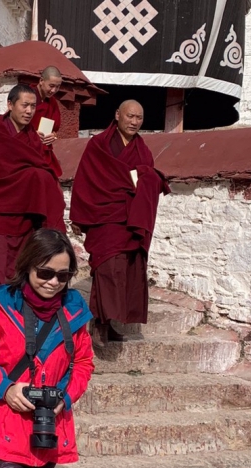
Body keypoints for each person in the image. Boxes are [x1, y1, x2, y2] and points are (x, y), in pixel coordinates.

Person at [0, 228, 94, 468]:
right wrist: (6, 388)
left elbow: (83, 363)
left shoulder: (75, 312)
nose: (53, 282)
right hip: (3, 424)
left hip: (48, 427)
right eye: (45, 273)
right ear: (27, 267)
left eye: (63, 275)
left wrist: (66, 398)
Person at [70, 100, 170, 347]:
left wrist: (151, 179)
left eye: (139, 118)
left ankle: (112, 321)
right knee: (107, 268)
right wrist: (79, 217)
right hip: (105, 218)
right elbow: (85, 181)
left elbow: (147, 179)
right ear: (117, 115)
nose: (134, 122)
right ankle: (99, 322)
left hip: (131, 220)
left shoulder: (143, 150)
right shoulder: (98, 145)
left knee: (127, 271)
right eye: (130, 116)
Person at [0, 84, 66, 317]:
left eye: (33, 106)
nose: (29, 111)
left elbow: (45, 170)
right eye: (25, 105)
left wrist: (46, 147)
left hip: (24, 216)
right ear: (10, 105)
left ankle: (14, 318)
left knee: (19, 268)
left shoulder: (32, 137)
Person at [30, 66, 64, 178]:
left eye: (57, 87)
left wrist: (53, 135)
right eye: (51, 86)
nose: (54, 90)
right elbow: (14, 123)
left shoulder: (52, 103)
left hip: (43, 150)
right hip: (27, 148)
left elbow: (55, 128)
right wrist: (32, 134)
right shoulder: (27, 97)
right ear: (41, 81)